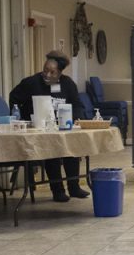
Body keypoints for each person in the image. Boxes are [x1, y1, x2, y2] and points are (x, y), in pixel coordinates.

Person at [9, 51, 89, 202]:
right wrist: (20, 118)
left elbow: (77, 104)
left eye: (52, 72)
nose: (47, 75)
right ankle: (57, 190)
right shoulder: (31, 83)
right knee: (52, 151)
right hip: (38, 130)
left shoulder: (68, 84)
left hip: (62, 128)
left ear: (60, 72)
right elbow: (14, 98)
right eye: (45, 70)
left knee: (72, 149)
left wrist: (75, 118)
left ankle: (74, 186)